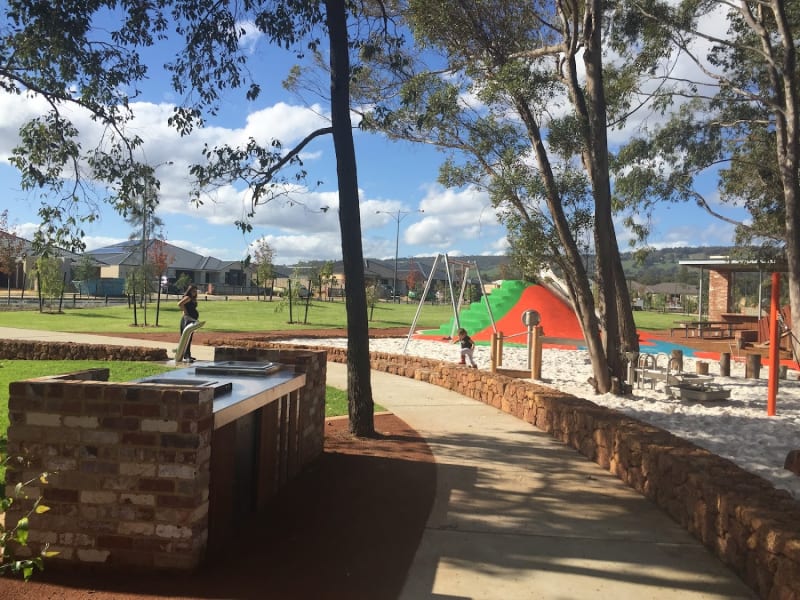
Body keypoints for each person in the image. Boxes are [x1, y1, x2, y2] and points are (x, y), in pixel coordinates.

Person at [178, 285, 199, 362]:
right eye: (193, 291)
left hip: (192, 320)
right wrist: (186, 313)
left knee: (189, 338)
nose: (195, 292)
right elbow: (180, 304)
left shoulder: (192, 298)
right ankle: (186, 356)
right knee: (187, 338)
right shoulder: (188, 297)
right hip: (187, 320)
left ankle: (188, 354)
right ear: (189, 291)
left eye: (196, 291)